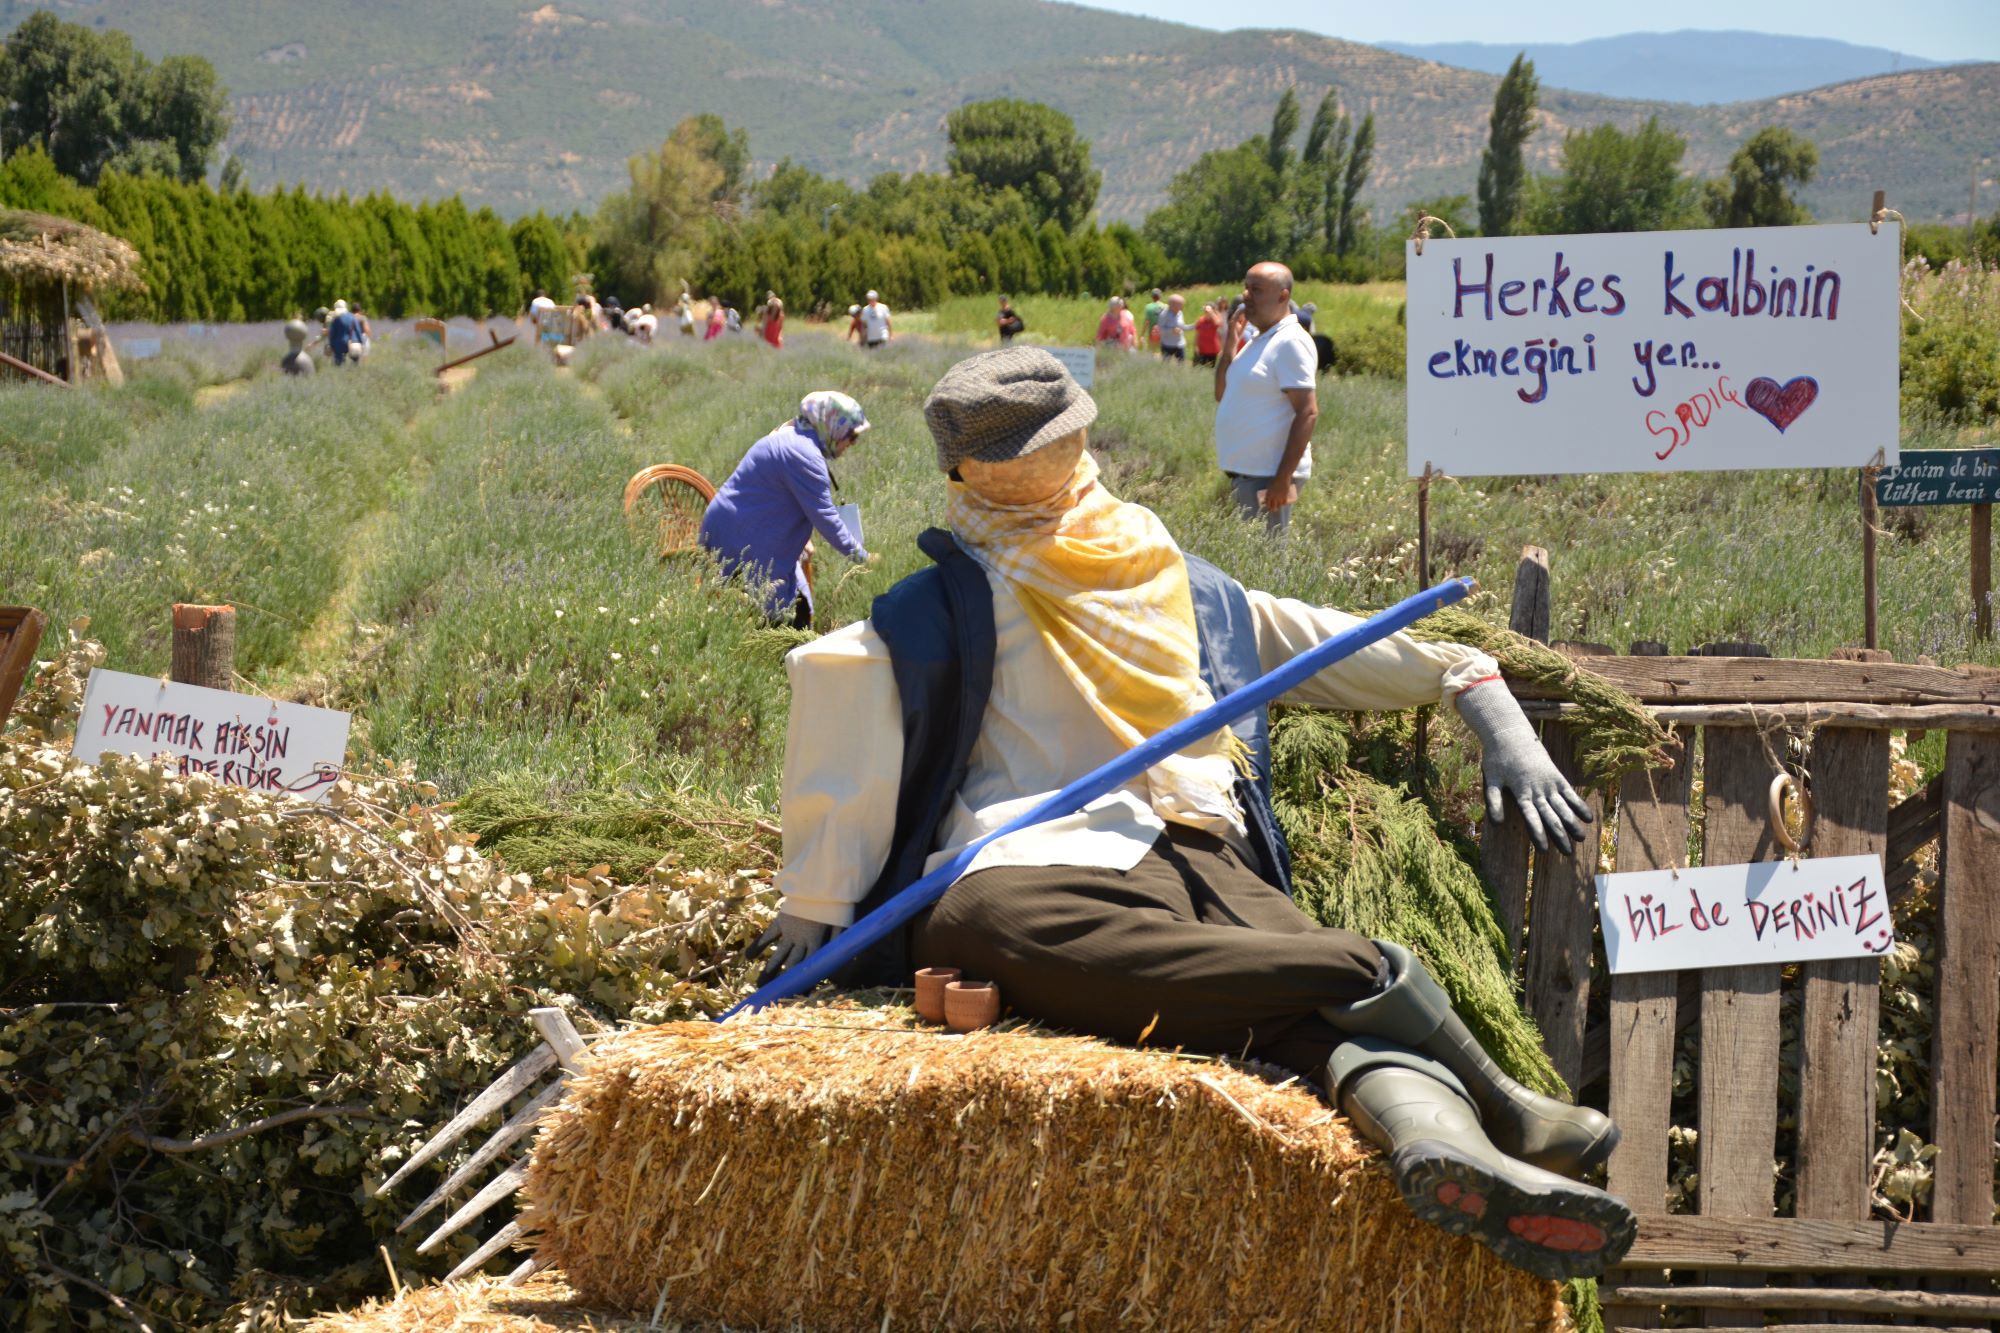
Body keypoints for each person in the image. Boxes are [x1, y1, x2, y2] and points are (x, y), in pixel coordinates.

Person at [753, 346, 1633, 1282]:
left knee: (1234, 983)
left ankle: (1459, 1132)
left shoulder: (1156, 566)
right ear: (963, 471)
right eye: (1010, 456)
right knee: (979, 916)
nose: (1034, 468)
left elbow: (1311, 639)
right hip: (1031, 858)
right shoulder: (945, 598)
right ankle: (1433, 1056)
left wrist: (1473, 685)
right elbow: (839, 679)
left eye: (1044, 445)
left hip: (1195, 845)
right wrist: (814, 902)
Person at [697, 391, 873, 627]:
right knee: (784, 620)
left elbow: (778, 496)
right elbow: (827, 519)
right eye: (851, 435)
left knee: (792, 608)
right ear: (831, 427)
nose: (852, 443)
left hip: (732, 528)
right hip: (743, 540)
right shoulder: (805, 455)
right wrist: (865, 559)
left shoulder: (792, 434)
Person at [1215, 263, 1316, 534]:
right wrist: (1230, 346)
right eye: (1246, 288)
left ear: (1283, 296)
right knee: (1252, 553)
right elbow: (1221, 393)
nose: (1246, 296)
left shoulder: (1290, 342)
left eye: (1256, 290)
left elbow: (1307, 412)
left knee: (1267, 554)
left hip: (1269, 478)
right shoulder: (1259, 341)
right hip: (1249, 476)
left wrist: (1282, 479)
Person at [325, 300, 361, 367]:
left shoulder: (336, 319)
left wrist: (331, 345)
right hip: (353, 343)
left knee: (339, 365)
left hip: (339, 344)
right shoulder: (353, 317)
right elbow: (358, 331)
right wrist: (361, 342)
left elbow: (332, 334)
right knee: (355, 365)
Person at [1156, 293, 1188, 363]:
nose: (1182, 307)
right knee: (1165, 364)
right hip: (1167, 345)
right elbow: (1160, 330)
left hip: (1180, 344)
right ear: (1173, 305)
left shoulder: (1180, 313)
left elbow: (1182, 326)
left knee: (1181, 365)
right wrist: (1172, 330)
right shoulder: (1163, 315)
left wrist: (1195, 326)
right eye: (1180, 305)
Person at [1193, 302, 1221, 367]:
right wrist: (1195, 346)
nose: (1206, 312)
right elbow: (1197, 335)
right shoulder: (1201, 320)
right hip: (1202, 349)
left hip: (1212, 350)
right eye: (1205, 311)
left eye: (1208, 311)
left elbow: (1218, 324)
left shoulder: (1215, 320)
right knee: (1200, 368)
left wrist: (1211, 312)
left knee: (1210, 368)